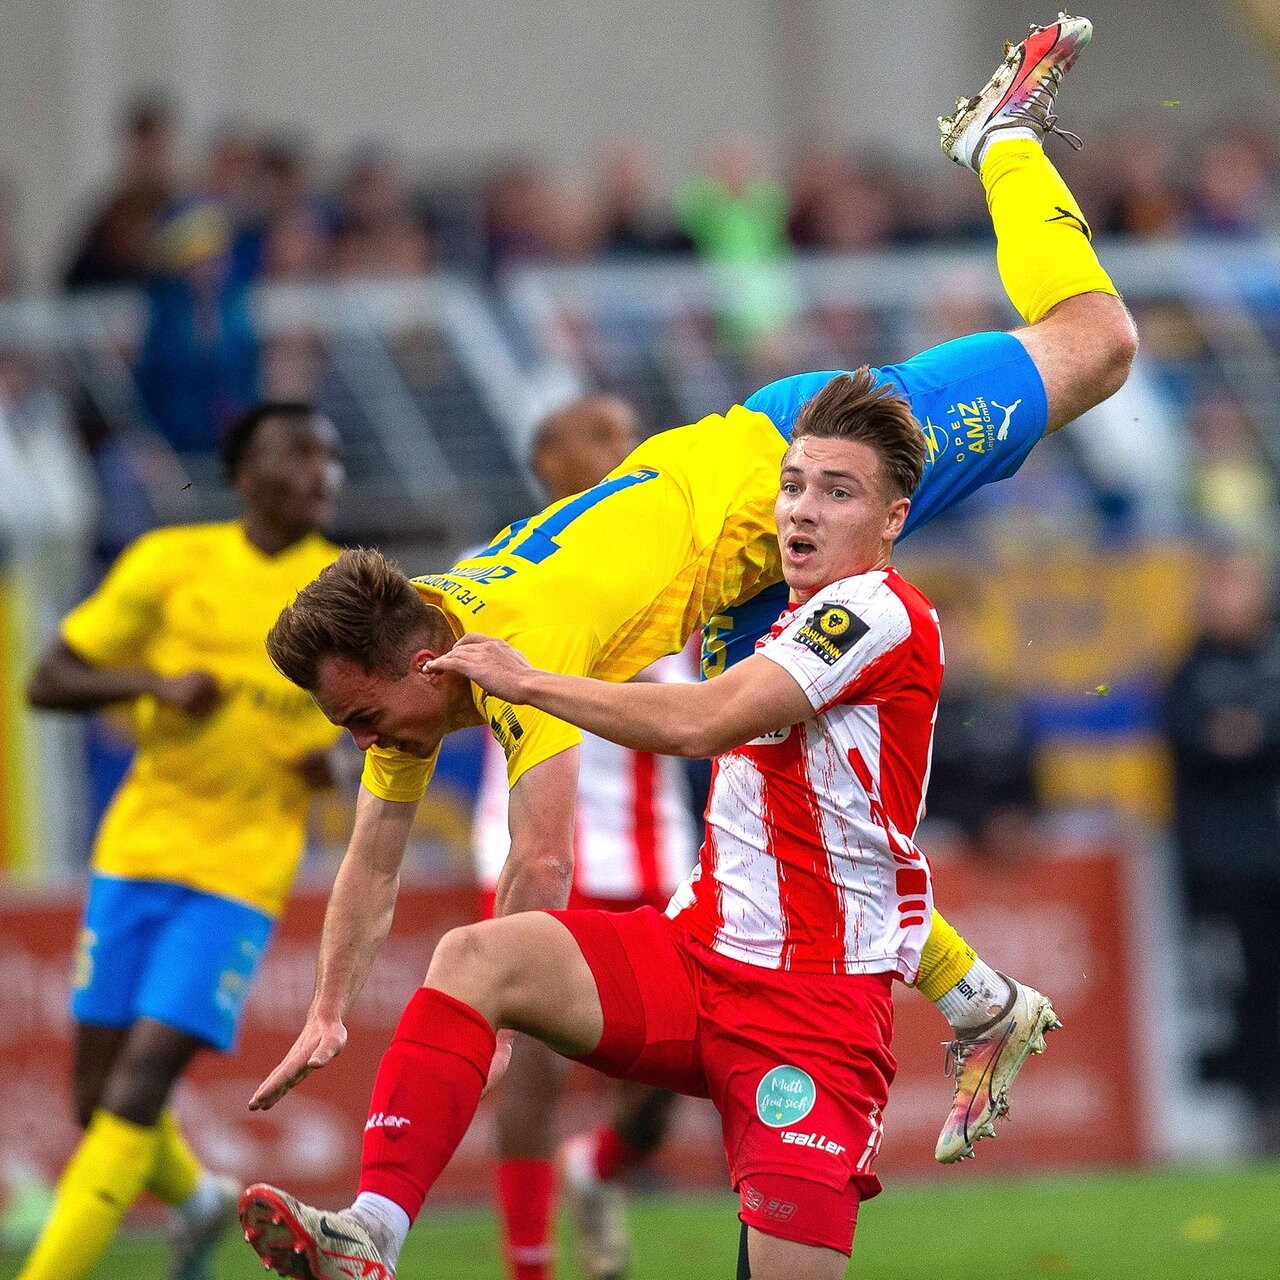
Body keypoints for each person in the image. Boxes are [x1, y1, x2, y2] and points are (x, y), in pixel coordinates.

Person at [241, 19, 1135, 1276]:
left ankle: (995, 143)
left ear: (415, 664)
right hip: (722, 732)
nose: (367, 745)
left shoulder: (517, 642)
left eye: (362, 719)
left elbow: (541, 857)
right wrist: (336, 1005)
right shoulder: (417, 650)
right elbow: (376, 841)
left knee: (1098, 347)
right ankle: (372, 1240)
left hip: (768, 465)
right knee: (800, 790)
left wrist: (494, 1039)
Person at [17, 402, 346, 1280]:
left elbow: (383, 735)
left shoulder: (348, 589)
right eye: (299, 452)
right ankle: (200, 1199)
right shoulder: (171, 563)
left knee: (139, 1083)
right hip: (137, 851)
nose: (322, 472)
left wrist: (337, 770)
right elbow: (47, 682)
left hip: (240, 873)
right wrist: (154, 684)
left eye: (331, 457)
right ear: (243, 472)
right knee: (95, 1098)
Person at [471, 395, 699, 1280]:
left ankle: (596, 1169)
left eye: (627, 430)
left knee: (667, 1086)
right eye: (601, 435)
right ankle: (529, 1266)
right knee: (533, 1068)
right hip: (542, 841)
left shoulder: (677, 560)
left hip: (655, 850)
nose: (625, 446)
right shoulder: (495, 568)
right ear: (548, 463)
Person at [1164, 549, 1280, 1152]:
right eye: (1222, 588)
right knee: (1234, 989)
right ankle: (1251, 1106)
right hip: (1220, 867)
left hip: (1271, 856)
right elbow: (1197, 740)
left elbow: (1245, 739)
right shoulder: (1189, 670)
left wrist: (1248, 735)